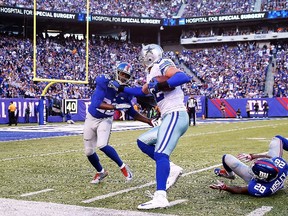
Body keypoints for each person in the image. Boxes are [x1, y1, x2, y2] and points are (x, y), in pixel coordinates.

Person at [111, 44, 191, 209]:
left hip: (176, 114)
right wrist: (122, 89)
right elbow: (142, 91)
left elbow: (183, 77)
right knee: (143, 141)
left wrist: (160, 85)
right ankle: (172, 169)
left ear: (149, 56)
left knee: (161, 153)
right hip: (170, 116)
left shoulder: (162, 64)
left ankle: (160, 196)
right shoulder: (152, 72)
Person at [83, 62, 155, 185]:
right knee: (89, 151)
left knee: (102, 144)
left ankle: (123, 167)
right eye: (122, 74)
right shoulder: (104, 82)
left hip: (105, 119)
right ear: (117, 73)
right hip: (91, 117)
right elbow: (96, 103)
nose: (123, 77)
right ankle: (101, 171)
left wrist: (149, 121)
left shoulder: (125, 92)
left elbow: (132, 112)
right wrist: (115, 106)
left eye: (126, 76)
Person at [210, 135, 288, 197]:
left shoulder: (260, 189)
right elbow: (270, 158)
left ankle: (229, 174)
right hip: (272, 178)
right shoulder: (282, 165)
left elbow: (239, 190)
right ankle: (229, 174)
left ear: (260, 178)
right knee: (277, 140)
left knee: (226, 157)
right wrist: (252, 156)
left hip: (266, 183)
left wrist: (225, 187)